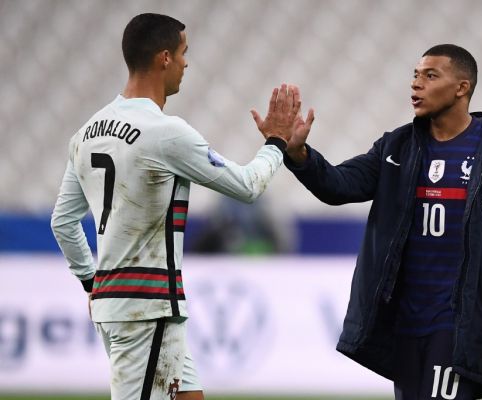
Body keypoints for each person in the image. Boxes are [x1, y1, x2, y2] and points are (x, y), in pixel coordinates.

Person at [281, 44, 482, 399]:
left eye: (430, 76)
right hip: (406, 325)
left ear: (462, 88)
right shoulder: (397, 146)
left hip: (458, 329)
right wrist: (299, 154)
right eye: (415, 75)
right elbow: (339, 185)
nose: (416, 85)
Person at [51, 13, 300, 400]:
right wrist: (277, 142)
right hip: (146, 309)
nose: (187, 64)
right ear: (164, 58)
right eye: (184, 53)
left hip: (124, 304)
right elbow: (248, 186)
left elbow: (63, 222)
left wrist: (91, 283)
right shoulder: (165, 133)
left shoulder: (85, 133)